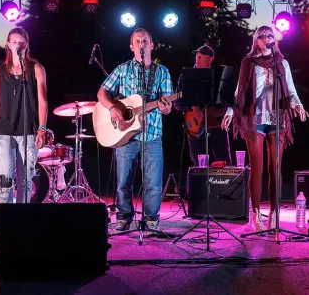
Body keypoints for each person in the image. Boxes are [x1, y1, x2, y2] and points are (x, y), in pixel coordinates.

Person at [221, 26, 308, 232]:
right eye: (264, 36)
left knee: (275, 166)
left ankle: (275, 213)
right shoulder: (248, 62)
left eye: (271, 36)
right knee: (257, 167)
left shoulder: (281, 63)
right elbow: (239, 91)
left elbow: (291, 90)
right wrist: (230, 112)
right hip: (255, 117)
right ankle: (256, 213)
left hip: (278, 117)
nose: (268, 39)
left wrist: (298, 105)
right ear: (257, 40)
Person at [97, 28, 173, 232]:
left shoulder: (162, 72)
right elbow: (102, 92)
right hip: (125, 135)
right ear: (131, 46)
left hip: (152, 134)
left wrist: (166, 107)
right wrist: (113, 107)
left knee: (153, 183)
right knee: (123, 181)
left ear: (152, 45)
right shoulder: (122, 70)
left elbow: (167, 108)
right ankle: (123, 216)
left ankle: (151, 220)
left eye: (145, 40)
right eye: (137, 41)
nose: (141, 44)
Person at [0, 27, 48, 204]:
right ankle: (5, 219)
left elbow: (42, 100)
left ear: (26, 45)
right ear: (8, 45)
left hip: (28, 129)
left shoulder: (36, 69)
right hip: (4, 129)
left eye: (21, 42)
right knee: (5, 179)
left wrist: (42, 128)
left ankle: (22, 220)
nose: (17, 45)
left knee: (25, 181)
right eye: (14, 42)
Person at [173, 45, 231, 166]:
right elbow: (177, 103)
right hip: (195, 126)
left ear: (210, 59)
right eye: (196, 56)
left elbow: (228, 101)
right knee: (199, 165)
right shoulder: (185, 77)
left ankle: (224, 184)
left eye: (200, 56)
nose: (197, 59)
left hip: (216, 125)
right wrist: (193, 107)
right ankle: (200, 184)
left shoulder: (219, 77)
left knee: (224, 162)